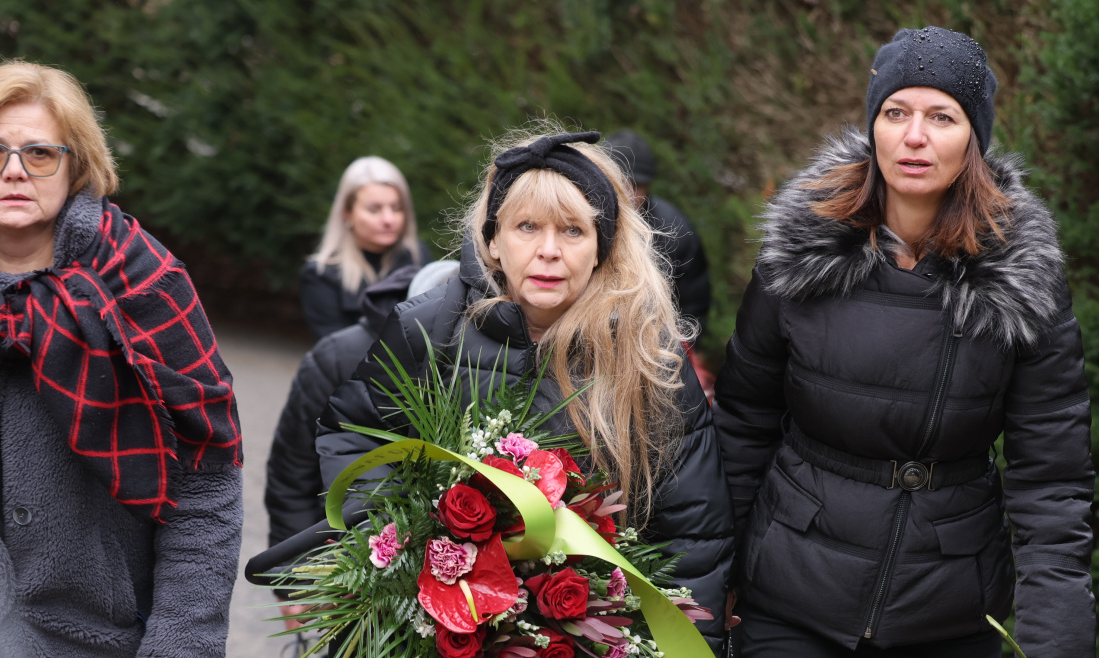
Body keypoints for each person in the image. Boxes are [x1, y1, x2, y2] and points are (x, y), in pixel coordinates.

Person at [714, 27, 1094, 657]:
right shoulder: (800, 254)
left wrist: (1058, 641)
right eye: (896, 112)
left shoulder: (1023, 278)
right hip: (790, 599)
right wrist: (708, 587)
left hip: (948, 611)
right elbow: (743, 425)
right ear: (873, 127)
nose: (914, 136)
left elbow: (1051, 483)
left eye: (941, 116)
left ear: (974, 136)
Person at [313, 128, 735, 651]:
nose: (549, 251)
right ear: (492, 238)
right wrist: (401, 545)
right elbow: (353, 435)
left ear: (603, 245)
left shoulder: (651, 358)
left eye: (573, 231)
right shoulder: (429, 328)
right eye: (527, 227)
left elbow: (693, 532)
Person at [0, 60, 243, 657]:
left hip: (92, 641)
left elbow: (206, 487)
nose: (15, 172)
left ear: (76, 164)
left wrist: (181, 645)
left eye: (41, 154)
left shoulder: (145, 284)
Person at [264, 260, 457, 637]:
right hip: (348, 578)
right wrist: (294, 585)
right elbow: (292, 477)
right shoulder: (340, 356)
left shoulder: (490, 362)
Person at [300, 156, 430, 342]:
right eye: (374, 209)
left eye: (396, 208)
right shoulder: (320, 274)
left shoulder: (418, 256)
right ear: (347, 212)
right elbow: (335, 351)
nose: (388, 219)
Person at [605, 130, 712, 338]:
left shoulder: (676, 231)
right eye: (618, 182)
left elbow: (693, 309)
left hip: (651, 343)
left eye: (637, 186)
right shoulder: (575, 223)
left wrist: (673, 352)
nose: (627, 193)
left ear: (649, 186)